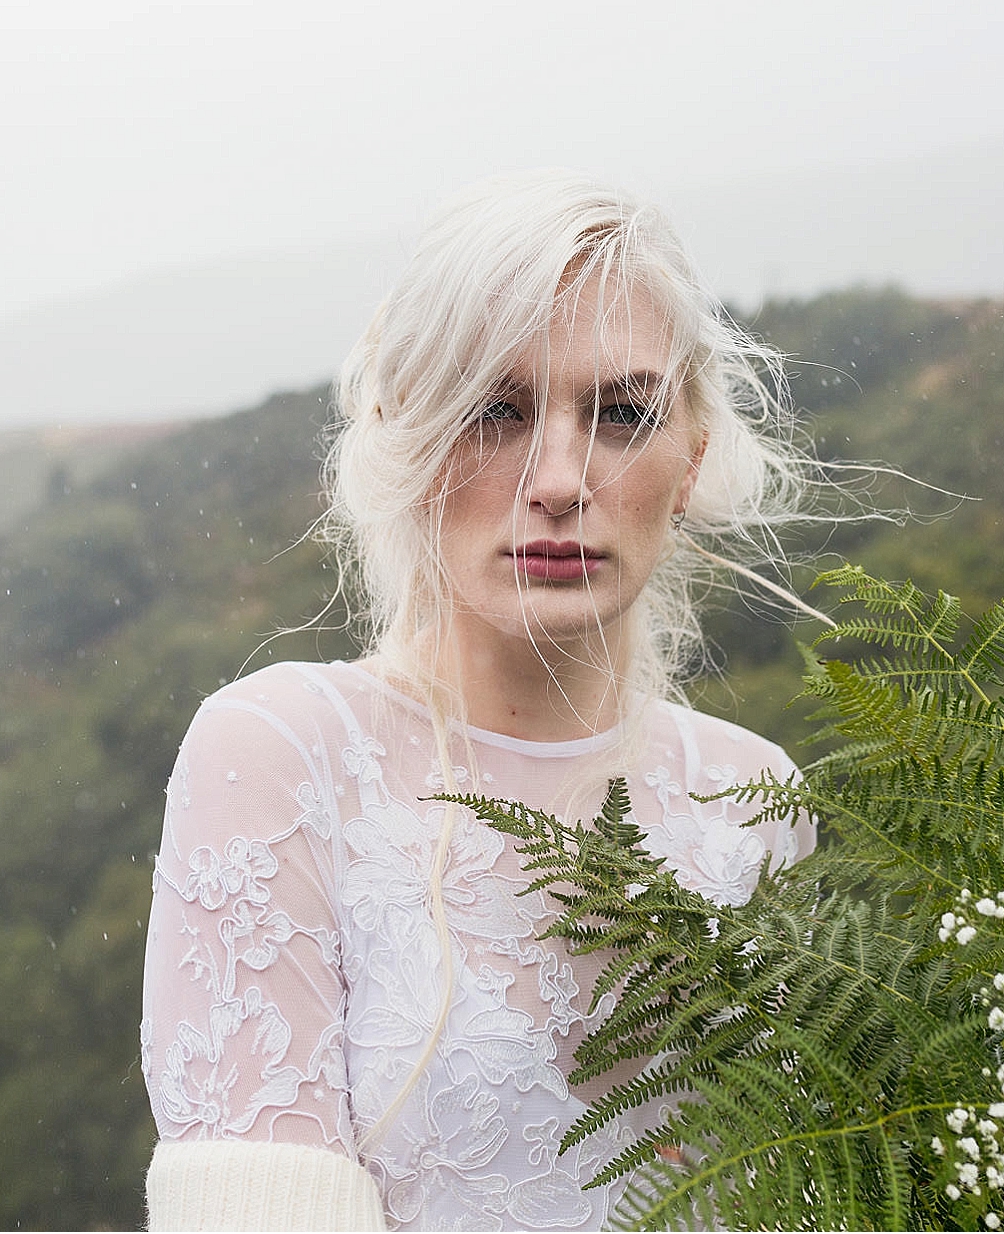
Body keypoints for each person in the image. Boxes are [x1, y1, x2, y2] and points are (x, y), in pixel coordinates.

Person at [139, 172, 827, 1230]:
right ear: (407, 442)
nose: (556, 478)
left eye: (621, 412)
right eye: (494, 412)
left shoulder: (752, 797)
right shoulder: (282, 755)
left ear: (688, 459)